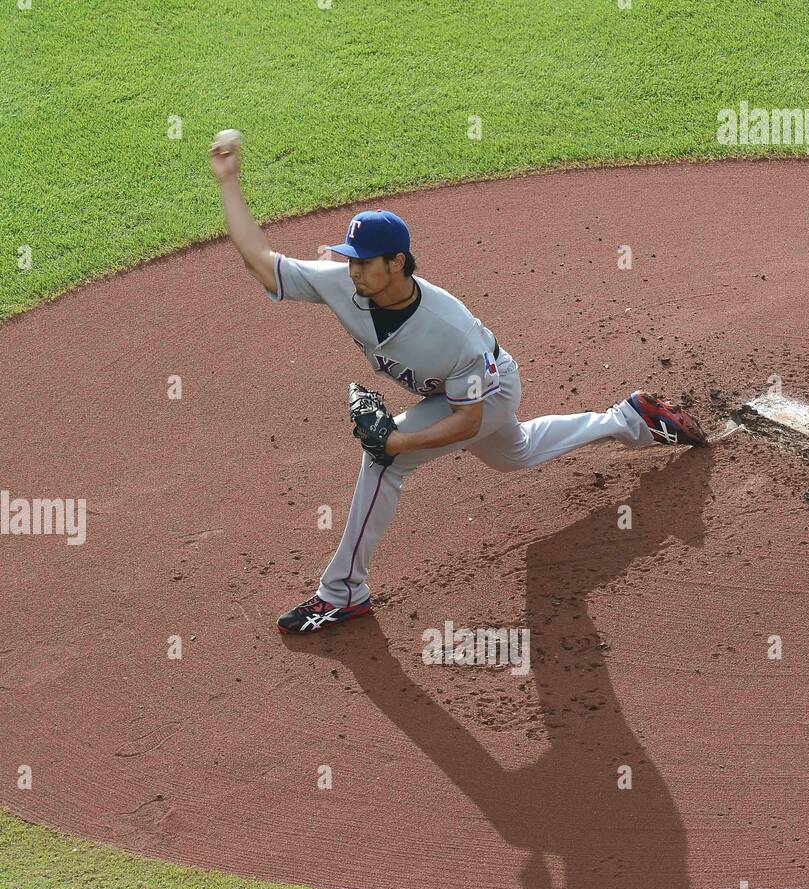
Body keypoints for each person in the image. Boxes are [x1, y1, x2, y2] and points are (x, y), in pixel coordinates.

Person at [209, 137, 708, 634]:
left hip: (488, 391)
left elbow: (467, 420)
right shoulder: (343, 284)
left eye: (364, 261)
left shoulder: (450, 330)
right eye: (350, 258)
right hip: (447, 390)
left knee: (384, 460)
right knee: (515, 454)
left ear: (397, 263)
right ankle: (630, 419)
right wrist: (228, 180)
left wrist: (396, 442)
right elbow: (260, 260)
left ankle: (342, 592)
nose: (353, 269)